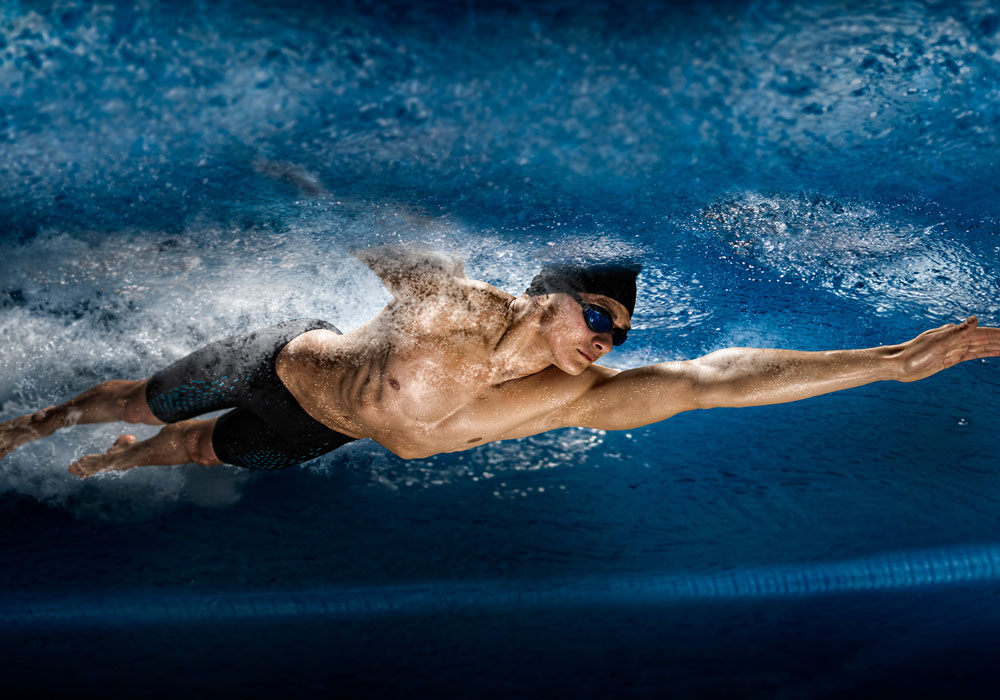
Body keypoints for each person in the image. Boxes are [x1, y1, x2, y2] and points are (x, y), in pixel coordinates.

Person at [0, 245, 997, 478]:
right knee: (142, 396)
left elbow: (717, 381)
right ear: (546, 294)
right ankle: (38, 426)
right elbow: (392, 244)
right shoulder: (454, 307)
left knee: (189, 455)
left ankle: (112, 464)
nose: (604, 341)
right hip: (279, 368)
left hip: (319, 433)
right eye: (597, 316)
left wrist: (893, 359)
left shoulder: (577, 394)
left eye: (617, 332)